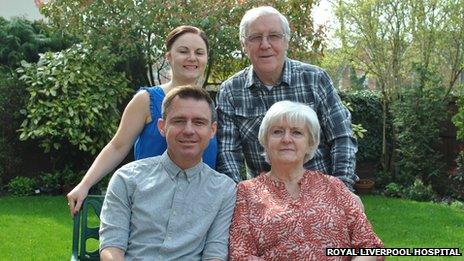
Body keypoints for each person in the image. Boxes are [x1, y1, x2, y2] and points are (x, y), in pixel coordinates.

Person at [67, 25, 217, 215]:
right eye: (183, 51)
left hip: (198, 209)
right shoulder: (146, 100)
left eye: (199, 52)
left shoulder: (208, 106)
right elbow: (117, 146)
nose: (192, 58)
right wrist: (85, 184)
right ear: (169, 57)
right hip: (150, 207)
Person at [216, 6, 358, 190]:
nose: (265, 44)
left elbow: (342, 137)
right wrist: (238, 200)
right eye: (255, 37)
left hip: (321, 193)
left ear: (286, 42)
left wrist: (341, 192)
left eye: (274, 36)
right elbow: (228, 152)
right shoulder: (230, 91)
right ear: (244, 45)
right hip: (266, 202)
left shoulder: (315, 80)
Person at [228, 101, 383, 260]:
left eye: (296, 132)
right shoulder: (246, 193)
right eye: (277, 132)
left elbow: (369, 246)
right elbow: (241, 255)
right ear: (265, 141)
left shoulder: (334, 186)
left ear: (310, 144)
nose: (286, 139)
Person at [99, 85, 236, 260]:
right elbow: (111, 247)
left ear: (212, 131)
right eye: (179, 121)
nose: (188, 130)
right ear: (162, 127)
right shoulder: (127, 179)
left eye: (199, 122)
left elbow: (215, 254)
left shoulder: (224, 190)